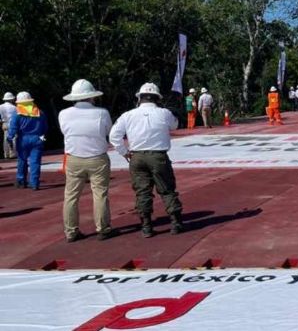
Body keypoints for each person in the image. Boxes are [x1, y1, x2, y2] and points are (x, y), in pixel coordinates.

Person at [109, 83, 184, 237]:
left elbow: (113, 136)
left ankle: (146, 226)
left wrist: (124, 152)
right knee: (167, 189)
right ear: (157, 99)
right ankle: (176, 222)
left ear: (139, 98)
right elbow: (175, 126)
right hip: (158, 156)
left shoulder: (127, 115)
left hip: (137, 156)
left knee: (142, 192)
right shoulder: (164, 113)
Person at [58, 79, 114, 242]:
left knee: (71, 196)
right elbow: (109, 131)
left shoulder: (64, 114)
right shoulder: (102, 113)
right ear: (92, 96)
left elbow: (64, 132)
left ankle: (71, 232)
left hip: (74, 158)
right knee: (100, 194)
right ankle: (103, 229)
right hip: (97, 158)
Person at [7, 92, 48, 190]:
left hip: (23, 139)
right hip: (37, 139)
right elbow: (45, 128)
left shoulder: (17, 113)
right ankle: (34, 183)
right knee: (35, 162)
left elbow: (13, 128)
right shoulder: (40, 112)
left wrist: (9, 138)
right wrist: (43, 139)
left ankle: (21, 181)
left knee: (22, 160)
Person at [0, 92, 17, 159]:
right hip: (12, 123)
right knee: (14, 138)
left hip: (4, 123)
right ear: (11, 99)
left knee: (5, 138)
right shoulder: (14, 107)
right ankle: (13, 153)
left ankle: (6, 154)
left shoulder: (0, 106)